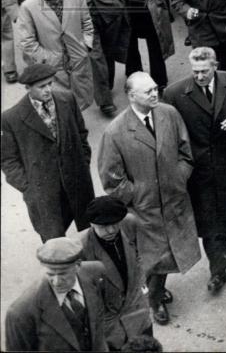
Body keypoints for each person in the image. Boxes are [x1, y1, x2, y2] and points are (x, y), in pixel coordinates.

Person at [98, 72, 201, 326]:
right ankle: (154, 302)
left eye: (155, 89)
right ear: (131, 96)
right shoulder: (115, 132)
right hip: (145, 209)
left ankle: (155, 293)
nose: (155, 94)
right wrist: (138, 196)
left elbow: (185, 152)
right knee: (153, 259)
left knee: (170, 252)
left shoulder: (169, 114)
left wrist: (178, 178)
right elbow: (111, 179)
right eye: (148, 91)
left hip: (174, 200)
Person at [163, 46, 226, 295]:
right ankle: (218, 268)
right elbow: (168, 130)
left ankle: (224, 241)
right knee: (207, 218)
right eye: (195, 71)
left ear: (215, 66)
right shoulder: (174, 93)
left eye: (204, 71)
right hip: (198, 167)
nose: (200, 76)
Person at [1, 62, 95, 242]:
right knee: (54, 241)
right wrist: (28, 187)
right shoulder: (10, 118)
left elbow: (81, 134)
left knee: (89, 233)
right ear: (28, 88)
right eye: (42, 86)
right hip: (43, 192)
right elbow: (8, 160)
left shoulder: (67, 99)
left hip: (76, 181)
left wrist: (84, 162)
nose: (48, 90)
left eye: (50, 84)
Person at [4, 236, 109, 353]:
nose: (57, 281)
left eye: (63, 273)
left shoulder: (95, 272)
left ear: (78, 265)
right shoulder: (20, 312)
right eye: (50, 274)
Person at [78, 197, 154, 351]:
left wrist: (141, 285)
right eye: (104, 226)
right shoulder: (81, 247)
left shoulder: (129, 223)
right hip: (110, 322)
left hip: (137, 310)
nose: (111, 230)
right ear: (91, 224)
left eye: (114, 223)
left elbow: (143, 254)